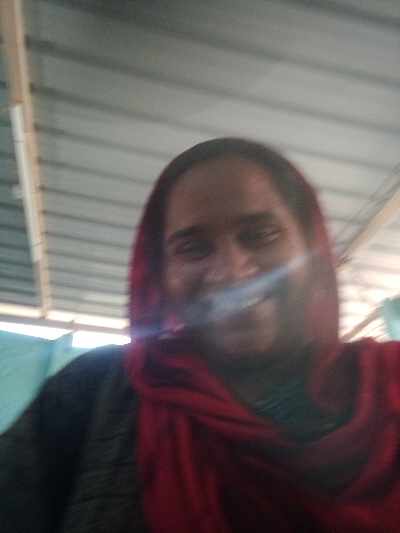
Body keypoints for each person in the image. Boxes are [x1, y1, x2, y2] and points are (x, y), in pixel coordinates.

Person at [1, 137, 399, 533]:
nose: (231, 272)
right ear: (159, 272)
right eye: (193, 248)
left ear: (312, 248)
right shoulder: (93, 393)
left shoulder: (388, 386)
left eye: (260, 235)